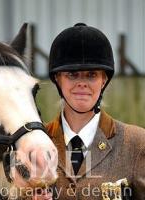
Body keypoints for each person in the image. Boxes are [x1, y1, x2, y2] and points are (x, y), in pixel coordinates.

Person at [33, 23, 145, 200]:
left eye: (91, 74)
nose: (82, 83)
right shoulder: (36, 145)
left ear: (103, 80)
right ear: (57, 79)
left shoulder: (137, 143)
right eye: (72, 74)